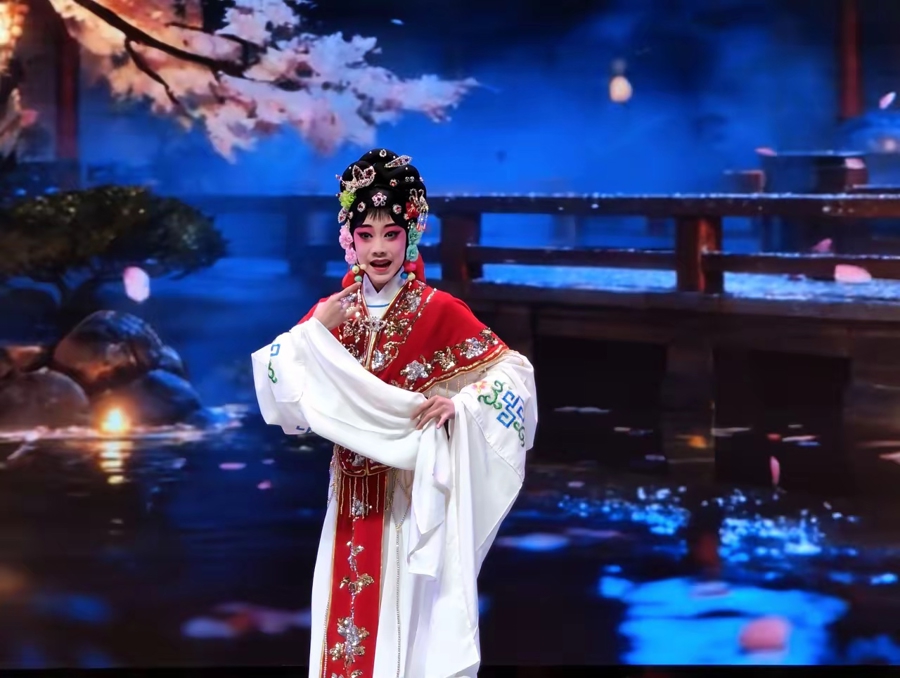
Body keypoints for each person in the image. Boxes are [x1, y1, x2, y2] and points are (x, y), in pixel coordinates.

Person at [251, 148, 537, 678]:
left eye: (390, 233)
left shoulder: (438, 309)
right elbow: (275, 381)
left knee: (406, 629)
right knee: (344, 628)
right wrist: (313, 332)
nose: (379, 248)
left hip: (409, 497)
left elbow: (514, 375)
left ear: (412, 234)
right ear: (349, 238)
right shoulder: (333, 312)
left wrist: (461, 404)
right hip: (347, 496)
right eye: (366, 234)